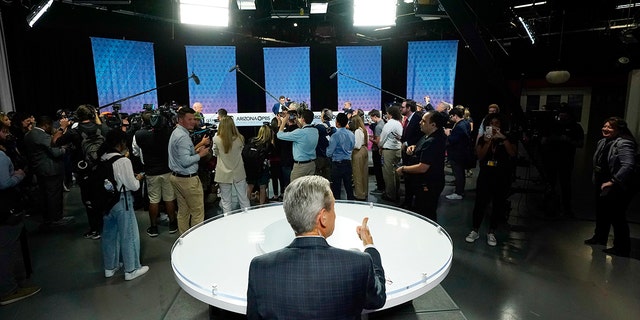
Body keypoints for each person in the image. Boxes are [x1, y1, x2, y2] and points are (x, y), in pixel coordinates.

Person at [246, 175, 386, 319]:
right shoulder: (359, 263)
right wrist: (369, 245)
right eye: (333, 208)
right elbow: (377, 299)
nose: (335, 215)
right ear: (323, 218)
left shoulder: (260, 268)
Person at [98, 129, 148, 281]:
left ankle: (110, 267)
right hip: (122, 201)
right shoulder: (123, 161)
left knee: (109, 235)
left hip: (106, 201)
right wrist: (138, 178)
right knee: (129, 234)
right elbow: (133, 186)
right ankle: (131, 269)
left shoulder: (103, 157)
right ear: (121, 143)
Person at [0, 123, 41, 305]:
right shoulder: (0, 156)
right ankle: (8, 290)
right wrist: (20, 175)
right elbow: (4, 183)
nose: (6, 133)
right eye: (3, 131)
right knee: (7, 249)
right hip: (6, 208)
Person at [584, 117, 636, 257]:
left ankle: (622, 247)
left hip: (617, 185)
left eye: (610, 127)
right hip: (602, 182)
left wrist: (613, 181)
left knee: (617, 216)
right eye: (604, 126)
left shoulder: (624, 143)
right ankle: (600, 238)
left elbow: (628, 165)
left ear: (619, 130)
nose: (605, 129)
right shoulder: (603, 142)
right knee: (601, 212)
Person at [465, 113, 516, 247]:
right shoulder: (483, 138)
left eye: (497, 123)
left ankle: (491, 232)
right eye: (491, 123)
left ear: (501, 125)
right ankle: (474, 230)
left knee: (498, 204)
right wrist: (488, 142)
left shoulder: (507, 137)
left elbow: (512, 153)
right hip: (486, 175)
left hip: (502, 175)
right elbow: (480, 156)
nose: (494, 126)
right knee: (480, 203)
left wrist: (503, 139)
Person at [132, 112, 177, 237]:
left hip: (151, 171)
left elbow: (135, 152)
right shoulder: (168, 132)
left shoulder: (139, 134)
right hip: (167, 169)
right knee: (169, 198)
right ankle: (173, 224)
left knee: (153, 200)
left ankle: (153, 227)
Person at [396, 111, 447, 222]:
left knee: (426, 215)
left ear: (433, 125)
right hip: (422, 183)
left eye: (424, 121)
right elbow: (421, 149)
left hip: (428, 184)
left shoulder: (434, 141)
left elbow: (423, 167)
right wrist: (414, 148)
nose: (420, 123)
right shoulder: (427, 136)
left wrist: (403, 169)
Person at [24, 116, 75, 226]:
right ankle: (56, 219)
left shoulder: (29, 134)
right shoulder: (41, 135)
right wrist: (64, 148)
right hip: (51, 169)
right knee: (54, 195)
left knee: (45, 196)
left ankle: (48, 218)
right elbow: (56, 151)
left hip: (40, 169)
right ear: (46, 125)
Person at [168, 107, 210, 234]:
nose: (193, 122)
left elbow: (183, 156)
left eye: (194, 119)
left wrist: (195, 152)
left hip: (177, 177)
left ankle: (183, 240)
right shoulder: (183, 137)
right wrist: (200, 155)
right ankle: (195, 243)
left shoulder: (176, 133)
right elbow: (185, 161)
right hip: (188, 180)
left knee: (183, 211)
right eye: (189, 119)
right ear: (180, 120)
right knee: (197, 213)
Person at [540, 108, 584, 217]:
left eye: (565, 115)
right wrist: (551, 138)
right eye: (561, 115)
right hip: (551, 160)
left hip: (566, 161)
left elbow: (580, 144)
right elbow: (543, 141)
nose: (562, 117)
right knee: (549, 184)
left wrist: (567, 140)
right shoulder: (552, 126)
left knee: (565, 185)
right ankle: (547, 207)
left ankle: (567, 209)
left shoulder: (576, 127)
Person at [213, 116, 250, 213]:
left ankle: (227, 223)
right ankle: (249, 220)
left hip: (223, 173)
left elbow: (215, 153)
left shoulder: (216, 139)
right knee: (243, 198)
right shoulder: (240, 138)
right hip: (238, 171)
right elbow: (241, 151)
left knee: (226, 201)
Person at [276, 109, 318, 182]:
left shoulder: (299, 133)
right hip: (311, 164)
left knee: (295, 189)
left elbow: (279, 135)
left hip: (300, 166)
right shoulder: (315, 131)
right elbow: (305, 129)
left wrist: (283, 122)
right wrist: (298, 123)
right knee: (307, 189)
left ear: (303, 119)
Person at [400, 99, 424, 209]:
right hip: (407, 152)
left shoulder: (417, 119)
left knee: (411, 179)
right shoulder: (408, 120)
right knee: (407, 179)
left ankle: (411, 202)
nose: (401, 108)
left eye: (403, 107)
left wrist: (407, 143)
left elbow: (420, 135)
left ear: (409, 108)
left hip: (413, 153)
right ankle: (407, 201)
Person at [444, 107, 472, 200]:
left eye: (451, 116)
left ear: (455, 116)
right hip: (461, 153)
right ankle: (459, 191)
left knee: (458, 173)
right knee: (460, 173)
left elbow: (453, 140)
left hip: (457, 154)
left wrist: (448, 134)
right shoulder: (465, 123)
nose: (450, 118)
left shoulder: (460, 126)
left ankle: (459, 192)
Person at [326, 113, 355, 200]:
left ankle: (337, 208)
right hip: (348, 163)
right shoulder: (351, 134)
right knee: (349, 188)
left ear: (337, 123)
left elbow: (329, 153)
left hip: (337, 165)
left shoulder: (335, 136)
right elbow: (352, 146)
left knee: (336, 189)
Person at [378, 105, 403, 202]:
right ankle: (396, 192)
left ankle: (390, 195)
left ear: (390, 114)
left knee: (388, 174)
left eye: (387, 113)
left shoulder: (389, 124)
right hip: (397, 150)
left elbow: (383, 138)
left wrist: (380, 146)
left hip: (389, 151)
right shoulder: (399, 123)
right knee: (396, 173)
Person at [244, 124, 272, 206]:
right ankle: (261, 206)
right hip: (262, 168)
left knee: (250, 186)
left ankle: (245, 205)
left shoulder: (251, 140)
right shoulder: (267, 144)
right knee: (262, 187)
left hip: (250, 167)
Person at [351, 115, 369, 201]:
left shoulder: (358, 131)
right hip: (365, 150)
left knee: (357, 174)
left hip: (358, 152)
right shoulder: (364, 130)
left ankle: (359, 195)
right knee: (364, 173)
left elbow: (357, 145)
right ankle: (364, 192)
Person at [313, 108, 335, 181]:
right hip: (330, 157)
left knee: (318, 179)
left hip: (319, 157)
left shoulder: (318, 127)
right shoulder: (333, 129)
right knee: (328, 178)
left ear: (322, 117)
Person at [368, 109, 386, 194]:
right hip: (380, 150)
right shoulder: (383, 123)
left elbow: (378, 141)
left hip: (377, 151)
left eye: (372, 118)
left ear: (375, 116)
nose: (372, 120)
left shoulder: (378, 126)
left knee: (378, 170)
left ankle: (380, 187)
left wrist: (369, 138)